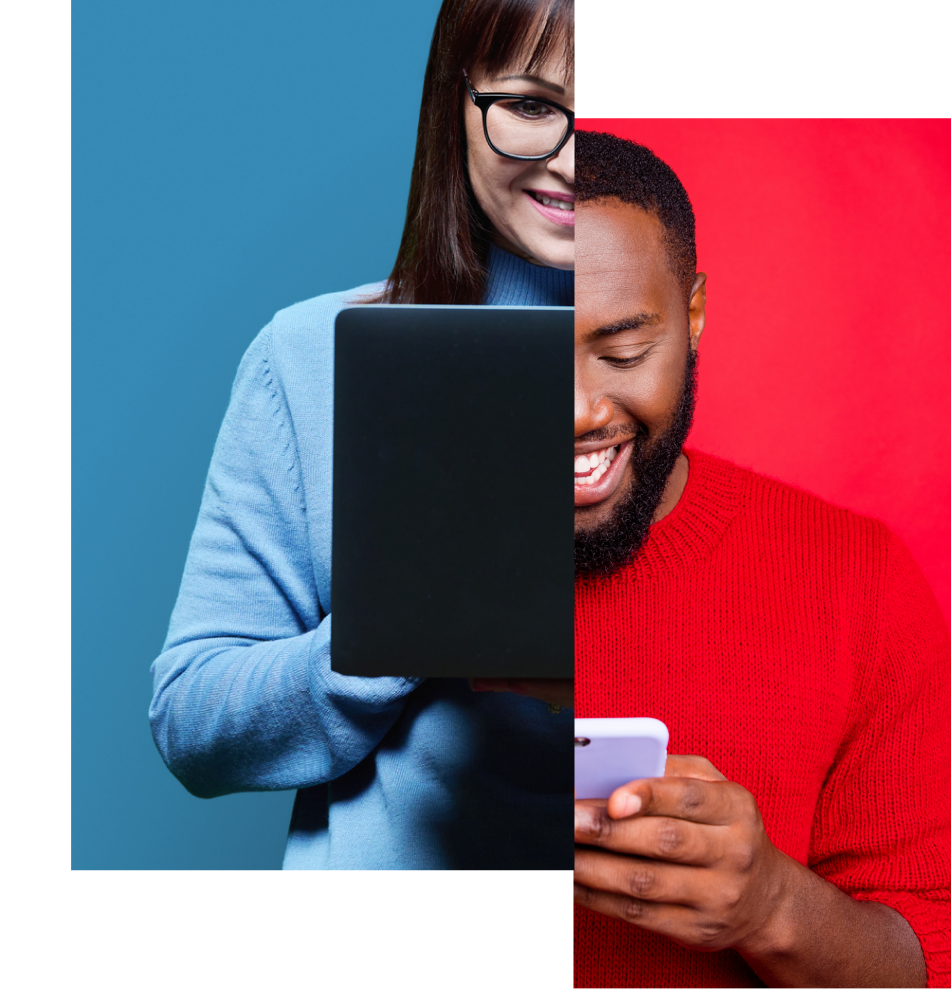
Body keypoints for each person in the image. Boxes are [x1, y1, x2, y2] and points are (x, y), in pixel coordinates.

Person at [149, 0, 575, 871]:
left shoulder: (694, 368)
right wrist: (388, 630)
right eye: (531, 105)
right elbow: (189, 717)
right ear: (453, 104)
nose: (573, 159)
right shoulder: (307, 357)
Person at [572, 131, 951, 987]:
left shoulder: (854, 580)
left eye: (623, 351)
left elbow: (948, 958)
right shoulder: (388, 559)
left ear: (691, 315)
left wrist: (770, 906)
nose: (577, 411)